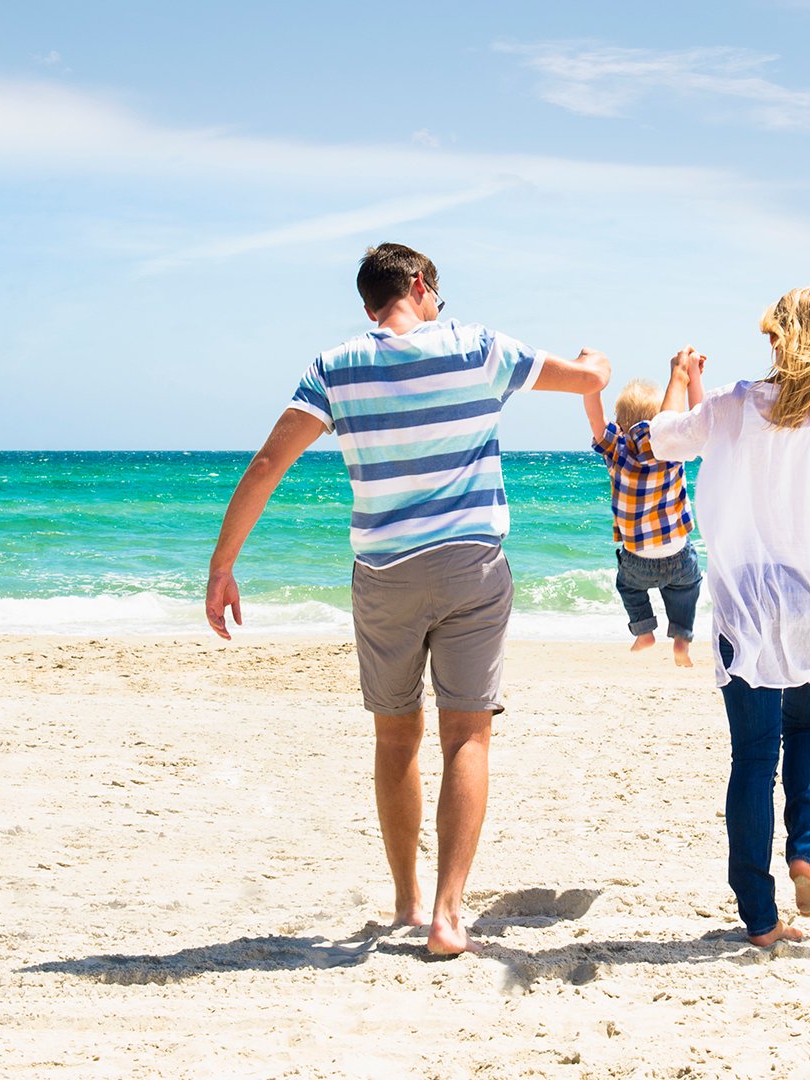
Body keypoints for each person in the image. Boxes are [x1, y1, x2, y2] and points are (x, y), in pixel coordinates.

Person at [204, 243, 610, 955]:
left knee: (396, 737)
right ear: (421, 286)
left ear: (370, 304)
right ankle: (450, 916)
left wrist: (223, 566)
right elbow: (583, 378)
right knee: (467, 735)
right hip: (471, 567)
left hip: (385, 573)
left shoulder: (336, 367)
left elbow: (270, 462)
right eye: (437, 296)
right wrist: (598, 366)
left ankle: (406, 901)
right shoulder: (480, 349)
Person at [647, 288, 810, 947]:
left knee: (755, 758)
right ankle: (804, 856)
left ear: (773, 338)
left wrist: (679, 382)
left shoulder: (733, 406)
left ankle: (760, 918)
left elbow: (666, 441)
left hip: (748, 608)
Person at [583, 377, 704, 667]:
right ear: (661, 421)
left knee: (628, 587)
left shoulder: (617, 449)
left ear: (621, 425)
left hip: (636, 557)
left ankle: (643, 630)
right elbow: (692, 417)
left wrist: (591, 381)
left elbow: (595, 418)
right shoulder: (671, 450)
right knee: (688, 588)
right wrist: (690, 378)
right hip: (677, 553)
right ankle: (682, 639)